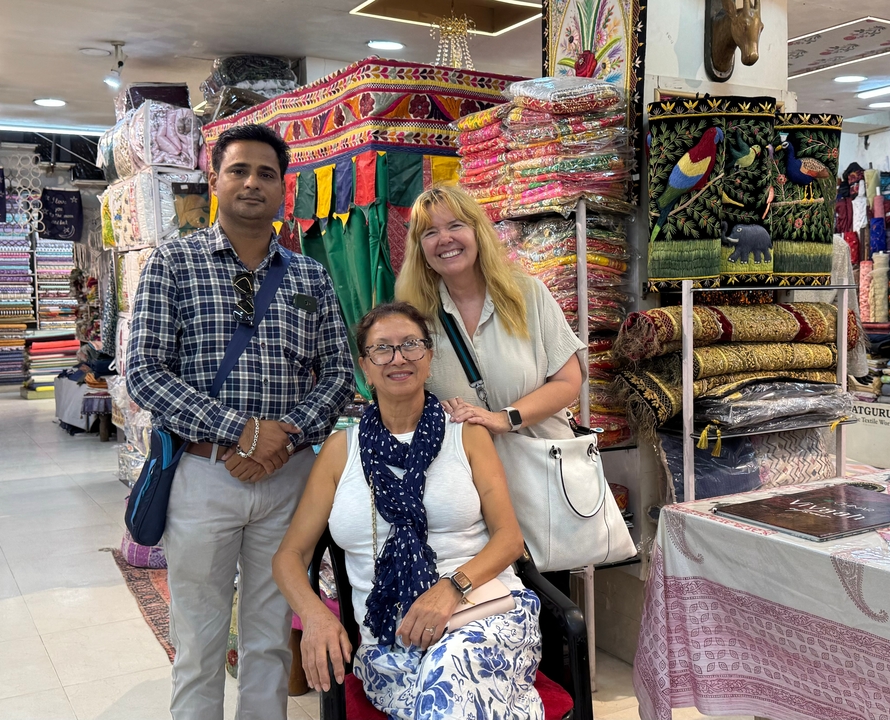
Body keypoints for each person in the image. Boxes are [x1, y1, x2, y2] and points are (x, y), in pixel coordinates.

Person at [127, 123, 355, 720]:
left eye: (266, 173)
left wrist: (286, 437)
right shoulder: (173, 262)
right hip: (203, 476)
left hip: (288, 481)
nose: (252, 183)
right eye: (239, 170)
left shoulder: (309, 276)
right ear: (215, 180)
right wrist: (243, 431)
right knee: (199, 644)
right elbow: (145, 372)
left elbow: (339, 374)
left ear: (284, 187)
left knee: (270, 638)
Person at [273, 302, 543, 719]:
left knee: (449, 671)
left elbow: (510, 539)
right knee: (442, 693)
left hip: (481, 616)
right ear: (365, 367)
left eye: (411, 345)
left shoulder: (466, 435)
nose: (398, 358)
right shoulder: (341, 451)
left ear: (429, 357)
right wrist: (315, 616)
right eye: (382, 348)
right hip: (390, 640)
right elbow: (289, 555)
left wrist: (451, 588)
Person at [394, 184, 584, 442]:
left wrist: (505, 419)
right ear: (421, 249)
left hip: (539, 462)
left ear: (477, 233)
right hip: (465, 466)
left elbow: (568, 382)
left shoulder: (527, 294)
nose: (444, 239)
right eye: (430, 232)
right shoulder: (414, 318)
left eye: (455, 225)